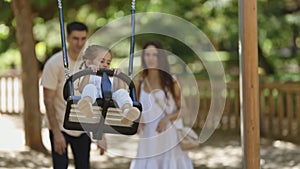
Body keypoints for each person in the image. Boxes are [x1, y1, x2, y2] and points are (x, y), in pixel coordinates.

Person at [41, 21, 105, 169]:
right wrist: (56, 133)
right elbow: (48, 101)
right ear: (68, 38)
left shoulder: (91, 64)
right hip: (60, 126)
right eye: (75, 38)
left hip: (83, 126)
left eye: (83, 39)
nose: (79, 43)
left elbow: (98, 101)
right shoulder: (54, 64)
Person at [130, 41, 194, 169]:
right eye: (147, 55)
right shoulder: (139, 82)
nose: (151, 58)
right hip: (148, 136)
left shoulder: (171, 81)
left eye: (155, 55)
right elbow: (134, 108)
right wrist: (138, 118)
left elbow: (185, 110)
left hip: (168, 135)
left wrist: (167, 119)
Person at [77, 45, 140, 125]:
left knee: (122, 93)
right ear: (89, 62)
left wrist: (119, 76)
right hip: (94, 102)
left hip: (110, 100)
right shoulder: (90, 75)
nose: (105, 65)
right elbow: (81, 89)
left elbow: (121, 89)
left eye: (108, 62)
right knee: (90, 87)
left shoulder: (111, 76)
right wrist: (88, 72)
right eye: (102, 61)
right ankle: (86, 105)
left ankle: (127, 112)